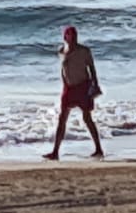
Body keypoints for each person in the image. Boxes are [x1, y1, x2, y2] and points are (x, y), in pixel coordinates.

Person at [44, 25, 104, 161]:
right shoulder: (61, 51)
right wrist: (64, 84)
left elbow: (92, 68)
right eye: (70, 35)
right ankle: (55, 152)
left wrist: (95, 85)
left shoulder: (84, 51)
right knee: (62, 119)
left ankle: (98, 149)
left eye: (75, 35)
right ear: (65, 37)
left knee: (87, 118)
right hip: (69, 89)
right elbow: (63, 70)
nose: (73, 38)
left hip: (83, 87)